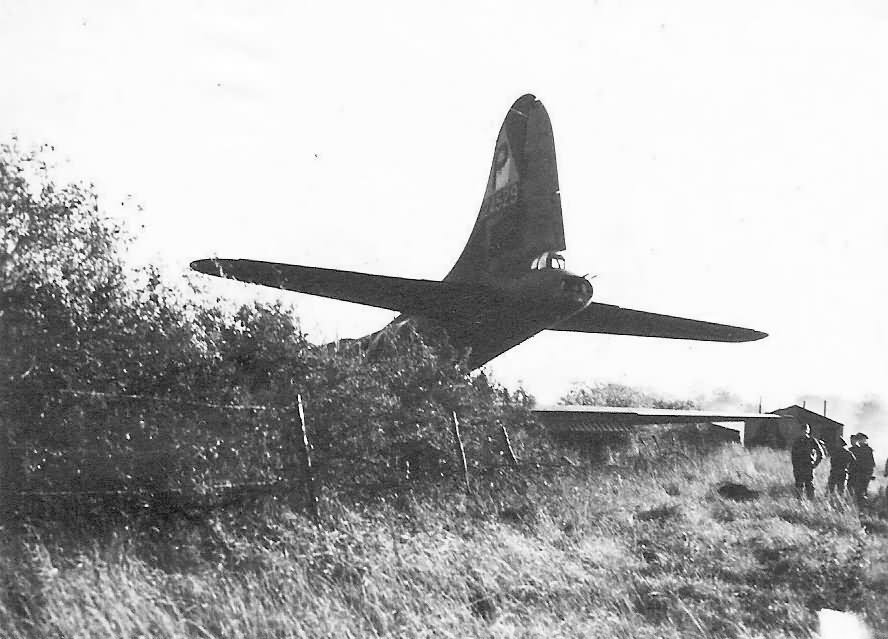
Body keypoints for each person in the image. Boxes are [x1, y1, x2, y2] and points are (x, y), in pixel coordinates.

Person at [790, 424, 824, 498]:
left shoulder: (812, 441)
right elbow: (793, 455)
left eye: (806, 430)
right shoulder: (797, 441)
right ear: (801, 431)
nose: (804, 432)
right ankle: (800, 503)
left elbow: (821, 454)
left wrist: (815, 465)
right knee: (799, 485)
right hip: (798, 467)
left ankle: (810, 503)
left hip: (808, 466)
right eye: (803, 430)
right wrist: (795, 466)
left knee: (809, 486)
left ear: (808, 431)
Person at [848, 432, 875, 505]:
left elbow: (871, 464)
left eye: (860, 439)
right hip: (856, 474)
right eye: (858, 439)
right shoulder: (857, 449)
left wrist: (868, 474)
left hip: (863, 474)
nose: (859, 441)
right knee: (856, 491)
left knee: (861, 491)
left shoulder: (867, 450)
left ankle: (863, 506)